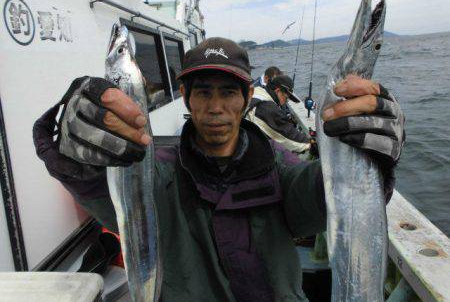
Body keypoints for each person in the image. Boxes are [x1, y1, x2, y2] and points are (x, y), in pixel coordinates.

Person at [33, 37, 405, 301]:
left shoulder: (282, 168)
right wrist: (75, 144)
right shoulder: (155, 173)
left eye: (228, 92)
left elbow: (327, 195)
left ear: (245, 100)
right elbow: (96, 186)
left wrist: (369, 156)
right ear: (186, 97)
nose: (214, 108)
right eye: (203, 92)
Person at [246, 74, 312, 155]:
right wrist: (309, 144)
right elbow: (286, 137)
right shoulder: (267, 107)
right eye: (286, 97)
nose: (286, 101)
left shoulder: (257, 92)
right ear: (277, 91)